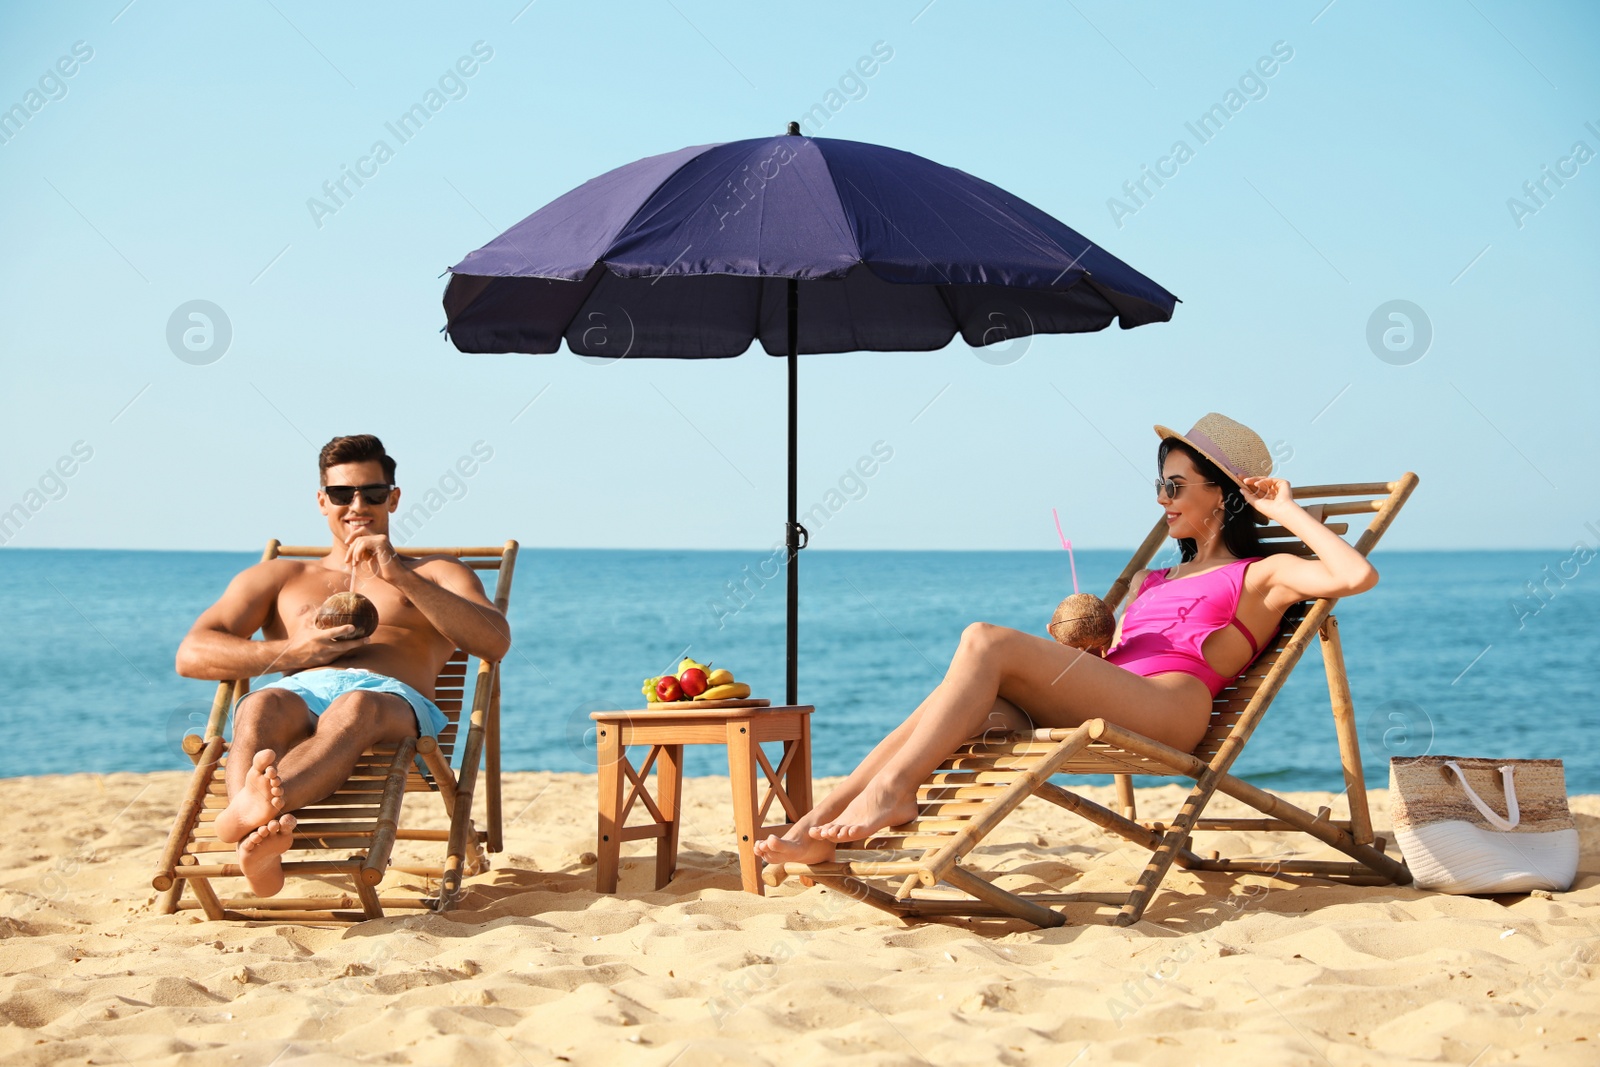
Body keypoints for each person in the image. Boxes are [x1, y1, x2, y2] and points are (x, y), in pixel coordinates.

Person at [754, 413, 1379, 866]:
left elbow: (1355, 575)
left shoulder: (1260, 575)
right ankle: (815, 824)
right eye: (1159, 485)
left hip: (1167, 708)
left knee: (984, 639)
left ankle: (893, 795)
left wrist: (1286, 513)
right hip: (1118, 693)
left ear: (1224, 495)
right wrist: (1090, 653)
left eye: (1176, 485)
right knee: (948, 704)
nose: (1162, 498)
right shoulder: (1153, 577)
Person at [175, 434, 511, 897]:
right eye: (341, 494)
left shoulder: (434, 572)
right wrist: (293, 655)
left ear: (393, 499)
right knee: (261, 704)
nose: (357, 504)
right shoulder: (282, 577)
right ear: (321, 500)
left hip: (390, 702)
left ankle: (249, 818)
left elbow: (494, 643)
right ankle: (257, 838)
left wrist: (398, 575)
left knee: (354, 706)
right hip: (303, 694)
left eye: (372, 493)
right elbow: (191, 653)